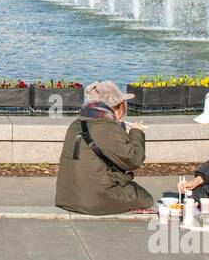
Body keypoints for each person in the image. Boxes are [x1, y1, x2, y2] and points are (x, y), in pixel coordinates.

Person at [55, 80, 151, 215]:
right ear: (119, 106)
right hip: (91, 200)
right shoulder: (106, 126)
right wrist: (137, 132)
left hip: (67, 197)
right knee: (144, 197)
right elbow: (133, 160)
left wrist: (118, 127)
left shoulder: (77, 123)